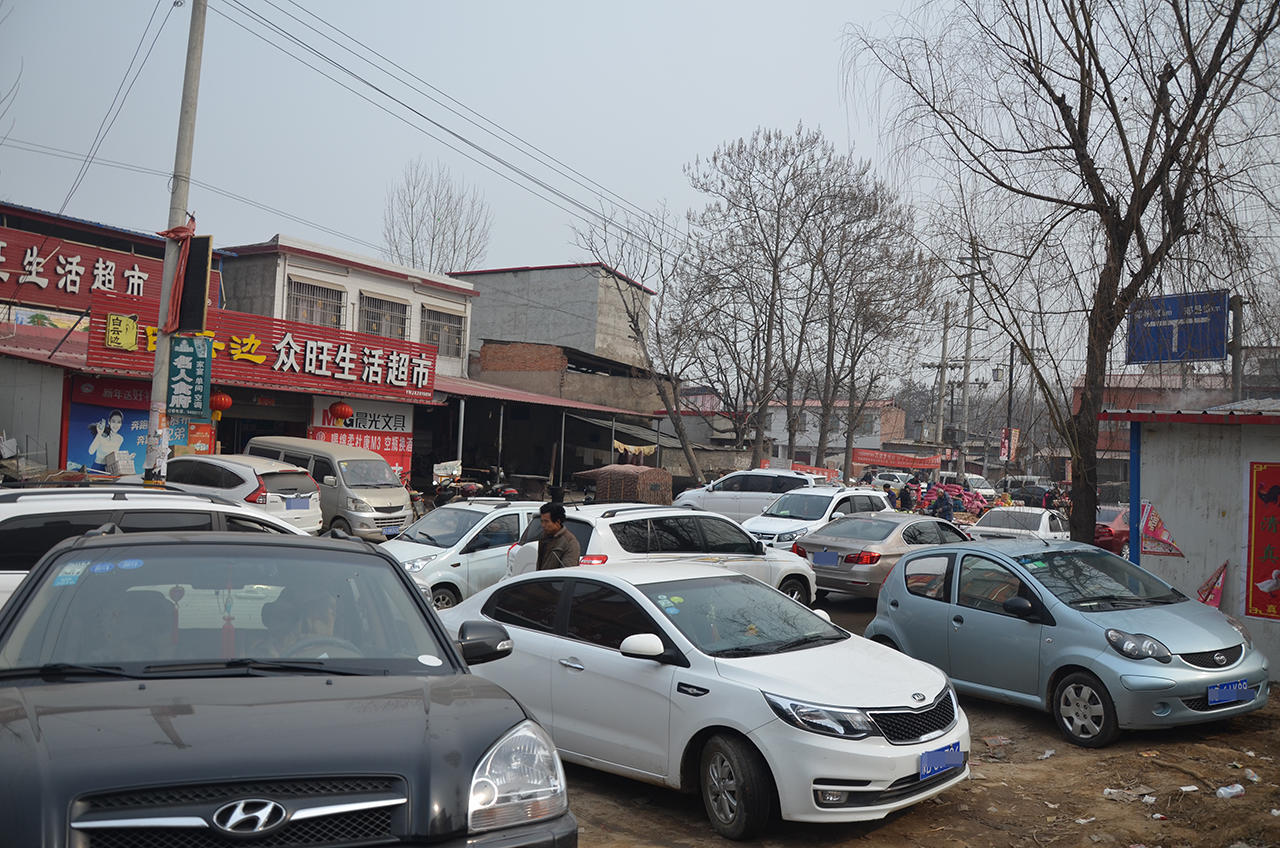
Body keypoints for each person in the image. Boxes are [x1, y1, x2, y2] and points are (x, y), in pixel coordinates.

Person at [536, 502, 580, 570]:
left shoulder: (570, 542)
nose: (543, 525)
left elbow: (567, 572)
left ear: (558, 522)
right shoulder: (544, 537)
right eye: (542, 521)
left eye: (546, 521)